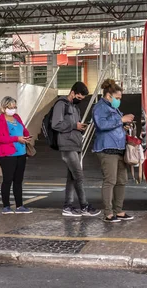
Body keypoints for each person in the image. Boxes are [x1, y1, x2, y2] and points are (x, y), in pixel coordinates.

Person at [52, 82, 100, 217]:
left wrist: (79, 127)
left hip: (75, 144)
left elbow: (73, 125)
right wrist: (74, 125)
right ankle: (84, 206)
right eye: (79, 97)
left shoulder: (74, 107)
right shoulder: (61, 104)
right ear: (72, 93)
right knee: (78, 175)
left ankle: (68, 206)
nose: (80, 100)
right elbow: (56, 124)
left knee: (72, 177)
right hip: (67, 145)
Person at [92, 79, 135, 223]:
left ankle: (119, 210)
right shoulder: (99, 107)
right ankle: (108, 213)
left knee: (121, 181)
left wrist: (123, 127)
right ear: (108, 96)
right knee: (110, 181)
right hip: (106, 148)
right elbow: (101, 125)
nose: (119, 101)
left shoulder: (113, 107)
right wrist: (121, 120)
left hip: (119, 148)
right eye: (117, 98)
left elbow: (112, 126)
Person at [0, 96, 32, 214]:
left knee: (18, 180)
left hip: (21, 153)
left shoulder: (17, 117)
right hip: (7, 155)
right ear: (4, 108)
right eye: (11, 107)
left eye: (15, 107)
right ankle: (6, 206)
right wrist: (17, 138)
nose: (13, 109)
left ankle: (20, 205)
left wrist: (26, 136)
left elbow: (23, 129)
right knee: (7, 180)